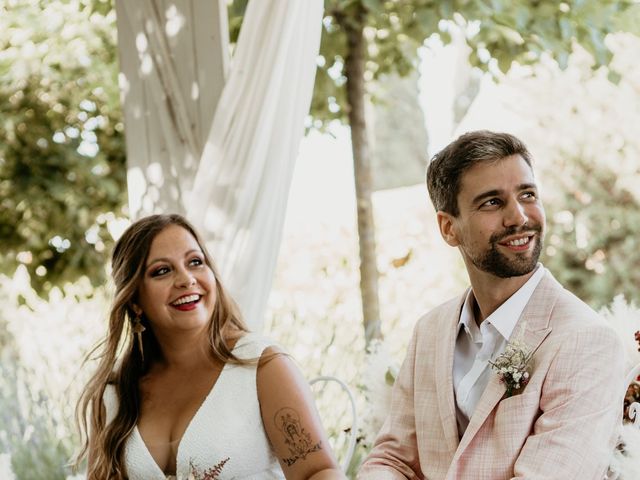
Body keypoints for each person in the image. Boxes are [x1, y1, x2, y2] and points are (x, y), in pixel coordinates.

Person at [358, 131, 626, 479]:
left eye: (527, 194)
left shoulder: (587, 342)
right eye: (492, 202)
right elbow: (392, 460)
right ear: (448, 228)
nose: (519, 217)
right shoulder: (430, 331)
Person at [75, 214, 345, 480]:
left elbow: (319, 473)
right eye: (162, 271)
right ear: (135, 300)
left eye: (195, 262)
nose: (186, 279)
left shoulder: (261, 366)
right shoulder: (114, 396)